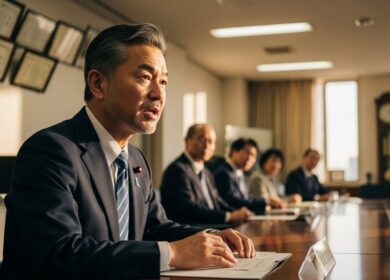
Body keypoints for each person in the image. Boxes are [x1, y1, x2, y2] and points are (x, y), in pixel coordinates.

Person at [0, 23, 255, 279]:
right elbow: (61, 252)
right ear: (98, 83)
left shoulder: (136, 159)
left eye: (163, 81)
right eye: (144, 77)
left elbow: (154, 228)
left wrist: (212, 238)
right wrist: (172, 254)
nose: (158, 94)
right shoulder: (50, 151)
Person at [160, 124, 253, 227]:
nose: (207, 145)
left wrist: (237, 213)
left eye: (211, 142)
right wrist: (228, 216)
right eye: (201, 139)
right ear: (187, 141)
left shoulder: (207, 171)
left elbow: (217, 200)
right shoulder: (177, 170)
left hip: (211, 226)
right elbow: (189, 209)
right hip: (190, 232)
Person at [213, 138, 283, 214]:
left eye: (253, 156)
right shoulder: (224, 173)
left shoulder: (241, 174)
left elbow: (247, 199)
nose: (250, 158)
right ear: (233, 151)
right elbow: (233, 202)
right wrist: (265, 202)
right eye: (247, 153)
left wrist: (267, 202)